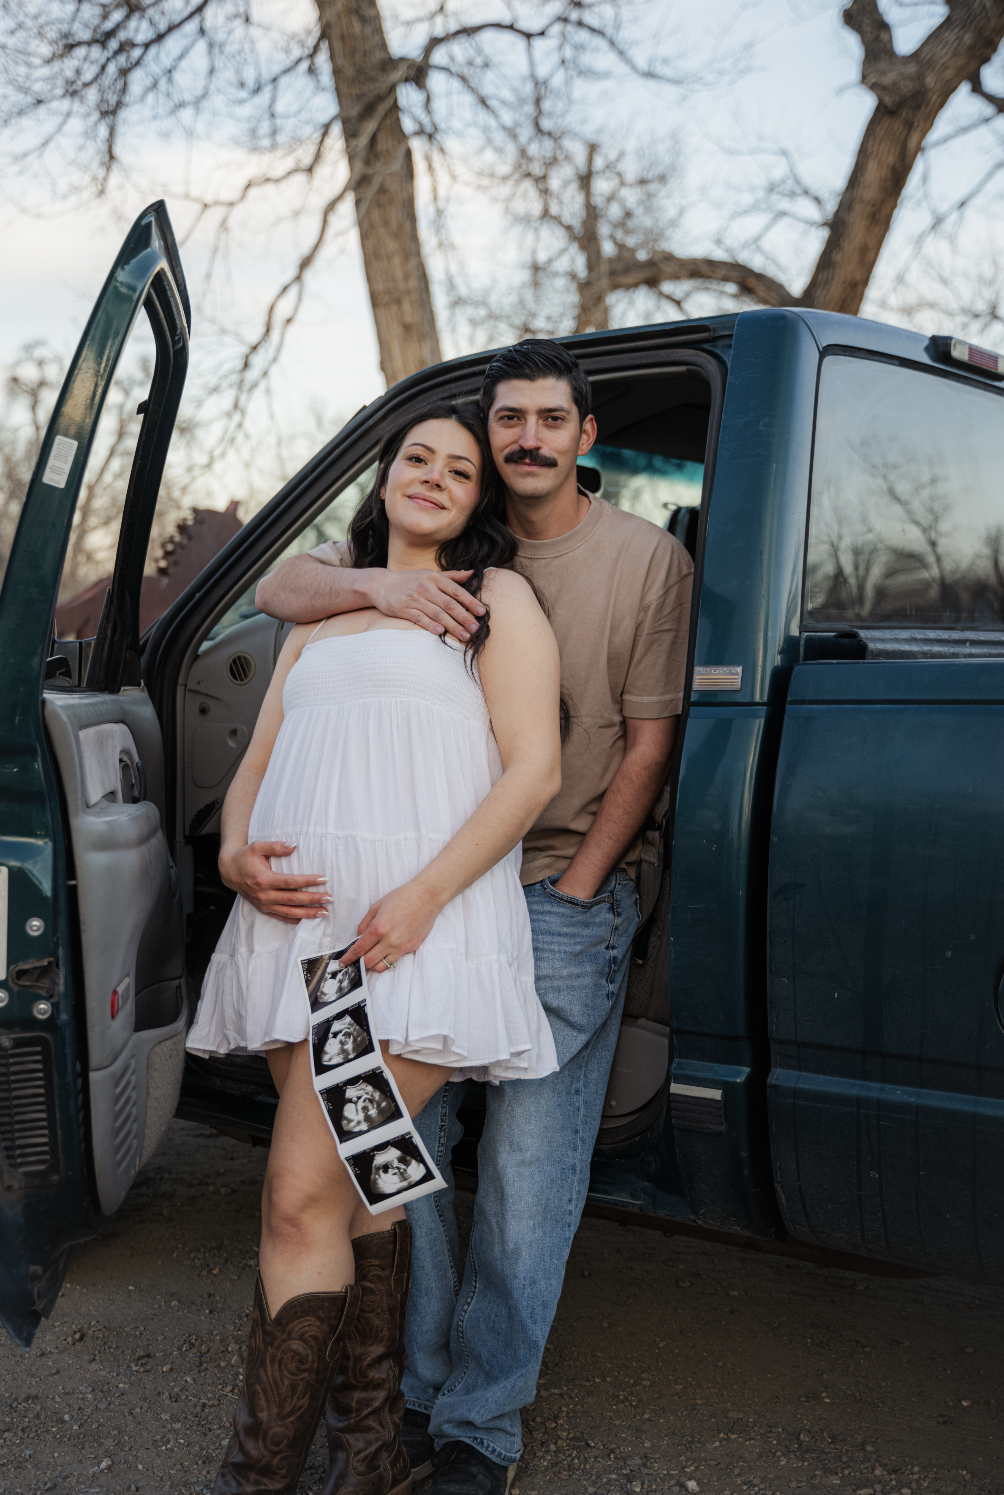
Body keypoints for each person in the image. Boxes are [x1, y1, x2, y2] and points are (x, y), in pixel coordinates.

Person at [256, 340, 694, 1495]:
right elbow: (282, 587)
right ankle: (400, 1398)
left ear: (585, 437)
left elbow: (643, 744)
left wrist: (582, 887)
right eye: (509, 420)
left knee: (526, 1181)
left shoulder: (641, 561)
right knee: (402, 1162)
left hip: (550, 885)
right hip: (430, 892)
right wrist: (379, 584)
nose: (526, 438)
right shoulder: (454, 535)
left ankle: (477, 1432)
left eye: (551, 419)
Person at [186, 398, 561, 1495]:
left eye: (459, 466)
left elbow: (530, 771)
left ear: (478, 498)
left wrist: (424, 898)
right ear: (386, 477)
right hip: (292, 930)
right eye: (416, 458)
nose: (435, 475)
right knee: (365, 1189)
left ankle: (253, 1479)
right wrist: (232, 859)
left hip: (405, 939)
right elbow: (257, 765)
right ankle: (367, 1462)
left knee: (299, 1201)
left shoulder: (494, 601)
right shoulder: (322, 611)